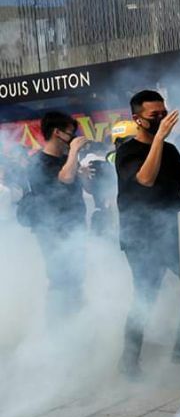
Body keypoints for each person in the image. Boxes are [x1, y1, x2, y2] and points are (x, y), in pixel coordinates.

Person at [115, 91, 180, 377]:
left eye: (163, 113)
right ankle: (129, 361)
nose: (161, 120)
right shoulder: (127, 152)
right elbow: (145, 179)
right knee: (145, 297)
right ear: (138, 120)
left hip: (173, 231)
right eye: (153, 116)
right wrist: (158, 139)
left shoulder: (169, 150)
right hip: (141, 239)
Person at [26, 112, 88, 319]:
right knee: (60, 280)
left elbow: (73, 180)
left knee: (77, 278)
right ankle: (55, 329)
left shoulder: (64, 159)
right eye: (70, 133)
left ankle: (77, 323)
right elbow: (65, 178)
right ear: (57, 133)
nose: (73, 137)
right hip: (52, 232)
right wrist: (74, 153)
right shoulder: (39, 162)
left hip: (74, 227)